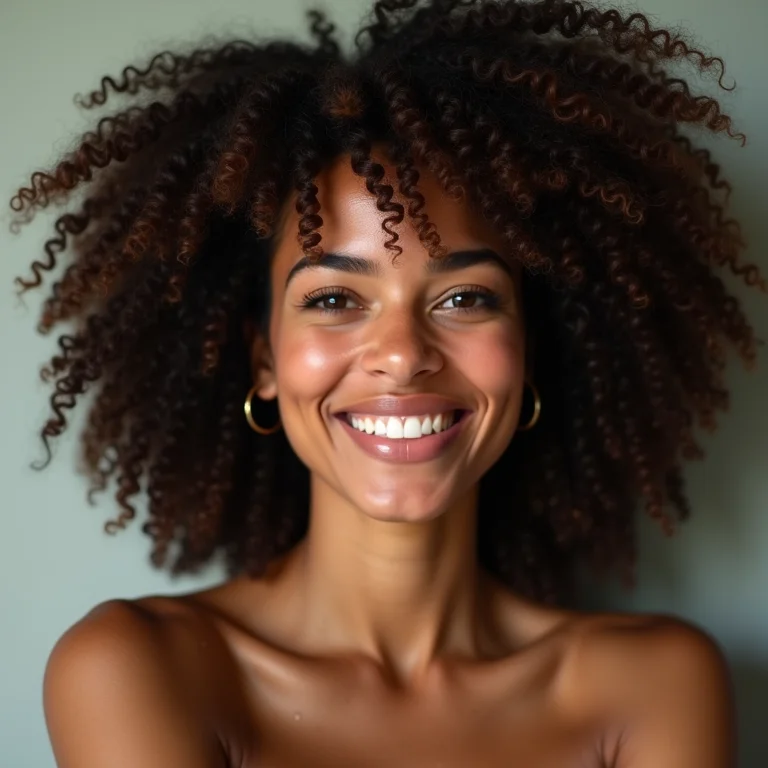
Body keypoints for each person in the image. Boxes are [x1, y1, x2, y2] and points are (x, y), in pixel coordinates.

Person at [11, 0, 762, 764]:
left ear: (530, 351)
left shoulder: (653, 686)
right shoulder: (141, 670)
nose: (402, 356)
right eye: (334, 299)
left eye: (465, 297)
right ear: (264, 358)